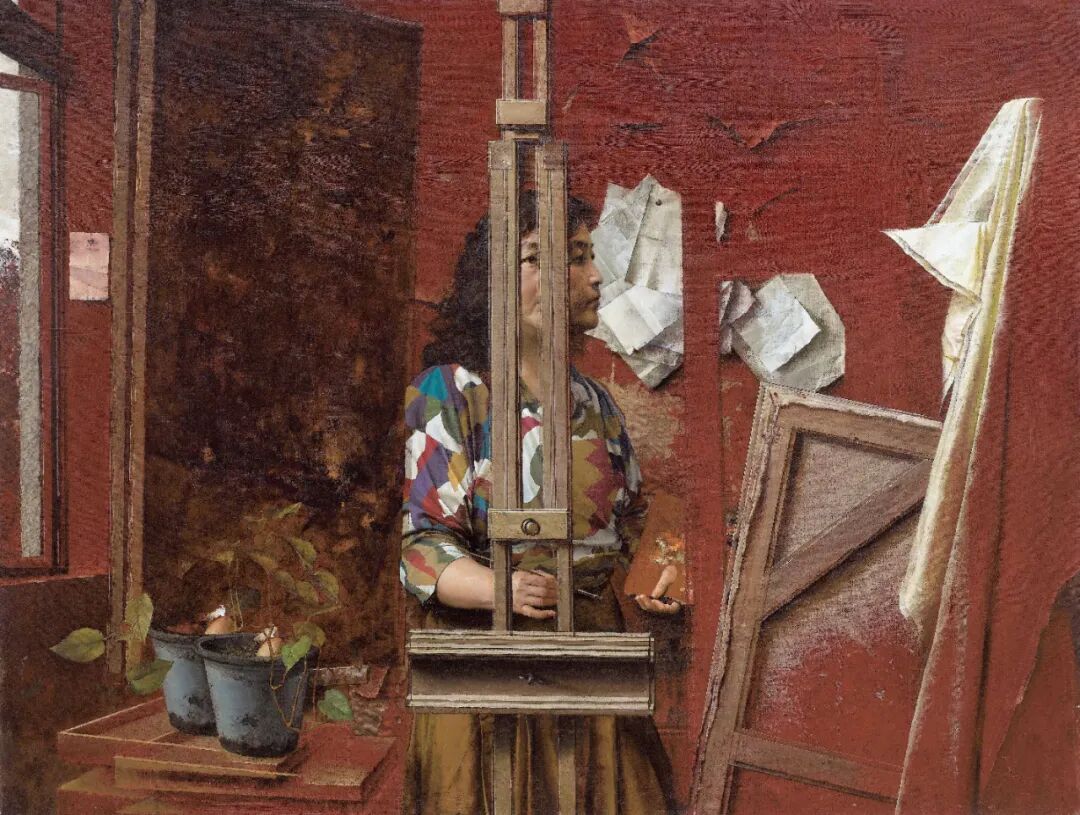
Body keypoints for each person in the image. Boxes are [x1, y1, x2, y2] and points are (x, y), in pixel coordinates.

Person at [399, 191, 680, 815]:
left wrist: (662, 572)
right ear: (496, 278)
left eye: (586, 256)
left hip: (591, 663)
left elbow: (635, 522)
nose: (594, 276)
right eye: (563, 258)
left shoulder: (594, 403)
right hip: (489, 666)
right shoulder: (452, 392)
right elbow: (422, 548)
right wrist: (502, 589)